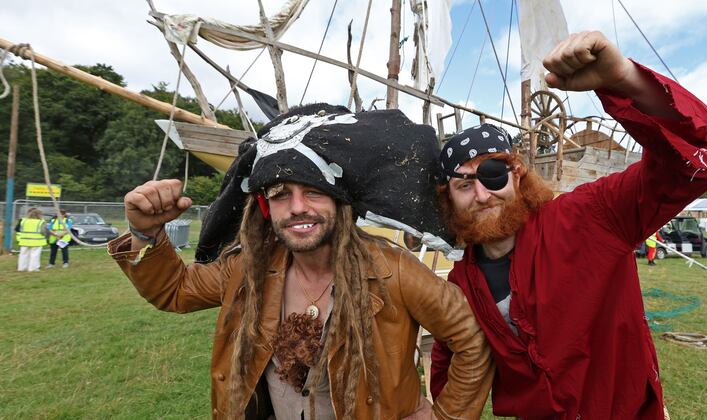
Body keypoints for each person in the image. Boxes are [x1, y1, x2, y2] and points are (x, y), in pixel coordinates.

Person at [430, 31, 707, 419]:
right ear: (449, 198)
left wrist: (625, 80)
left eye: (493, 175)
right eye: (463, 185)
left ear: (518, 176)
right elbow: (450, 358)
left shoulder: (592, 217)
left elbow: (699, 160)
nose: (482, 195)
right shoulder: (461, 283)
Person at [109, 104, 493, 419]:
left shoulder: (393, 271)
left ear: (340, 201)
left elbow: (471, 338)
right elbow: (175, 291)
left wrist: (446, 416)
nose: (297, 207)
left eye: (314, 191)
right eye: (280, 194)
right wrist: (145, 232)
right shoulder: (249, 270)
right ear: (266, 206)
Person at [16, 208, 48, 272]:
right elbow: (43, 231)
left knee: (23, 254)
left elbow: (20, 230)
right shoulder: (41, 222)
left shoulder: (23, 221)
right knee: (35, 254)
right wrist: (46, 235)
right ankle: (33, 268)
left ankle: (21, 267)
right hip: (36, 241)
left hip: (24, 240)